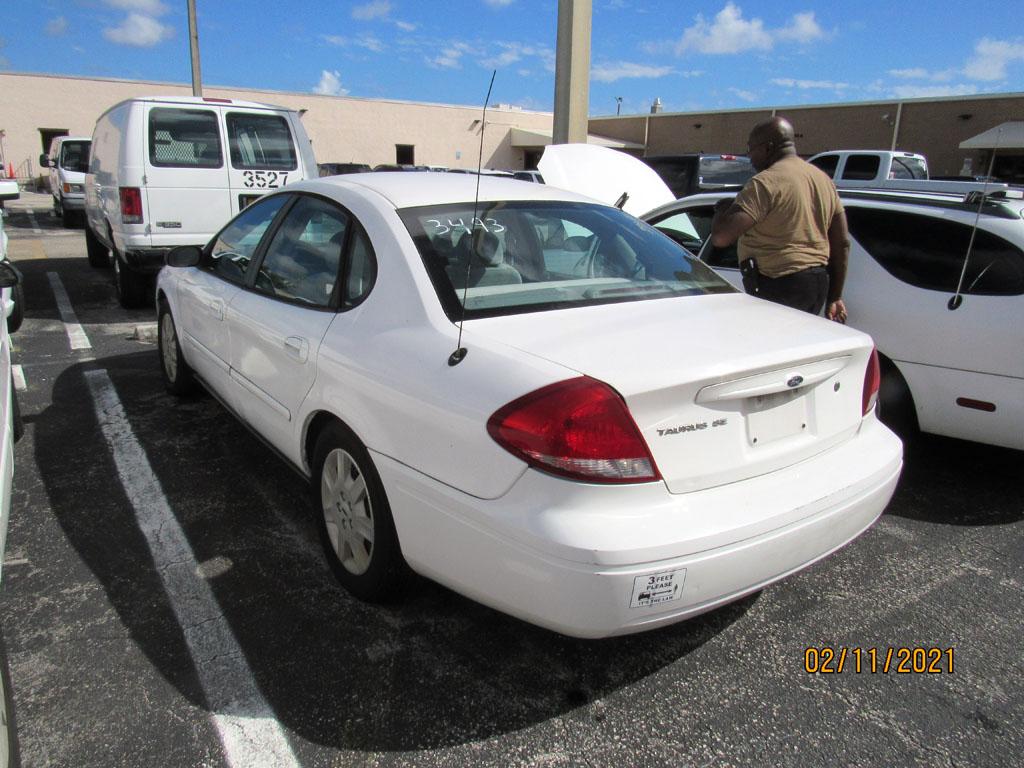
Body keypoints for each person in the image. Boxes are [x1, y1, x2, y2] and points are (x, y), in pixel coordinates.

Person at [710, 117, 849, 322]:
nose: (750, 157)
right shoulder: (823, 179)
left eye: (751, 149)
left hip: (779, 285)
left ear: (768, 147)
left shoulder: (766, 182)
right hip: (817, 285)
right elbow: (843, 243)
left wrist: (721, 211)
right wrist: (835, 296)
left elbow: (721, 237)